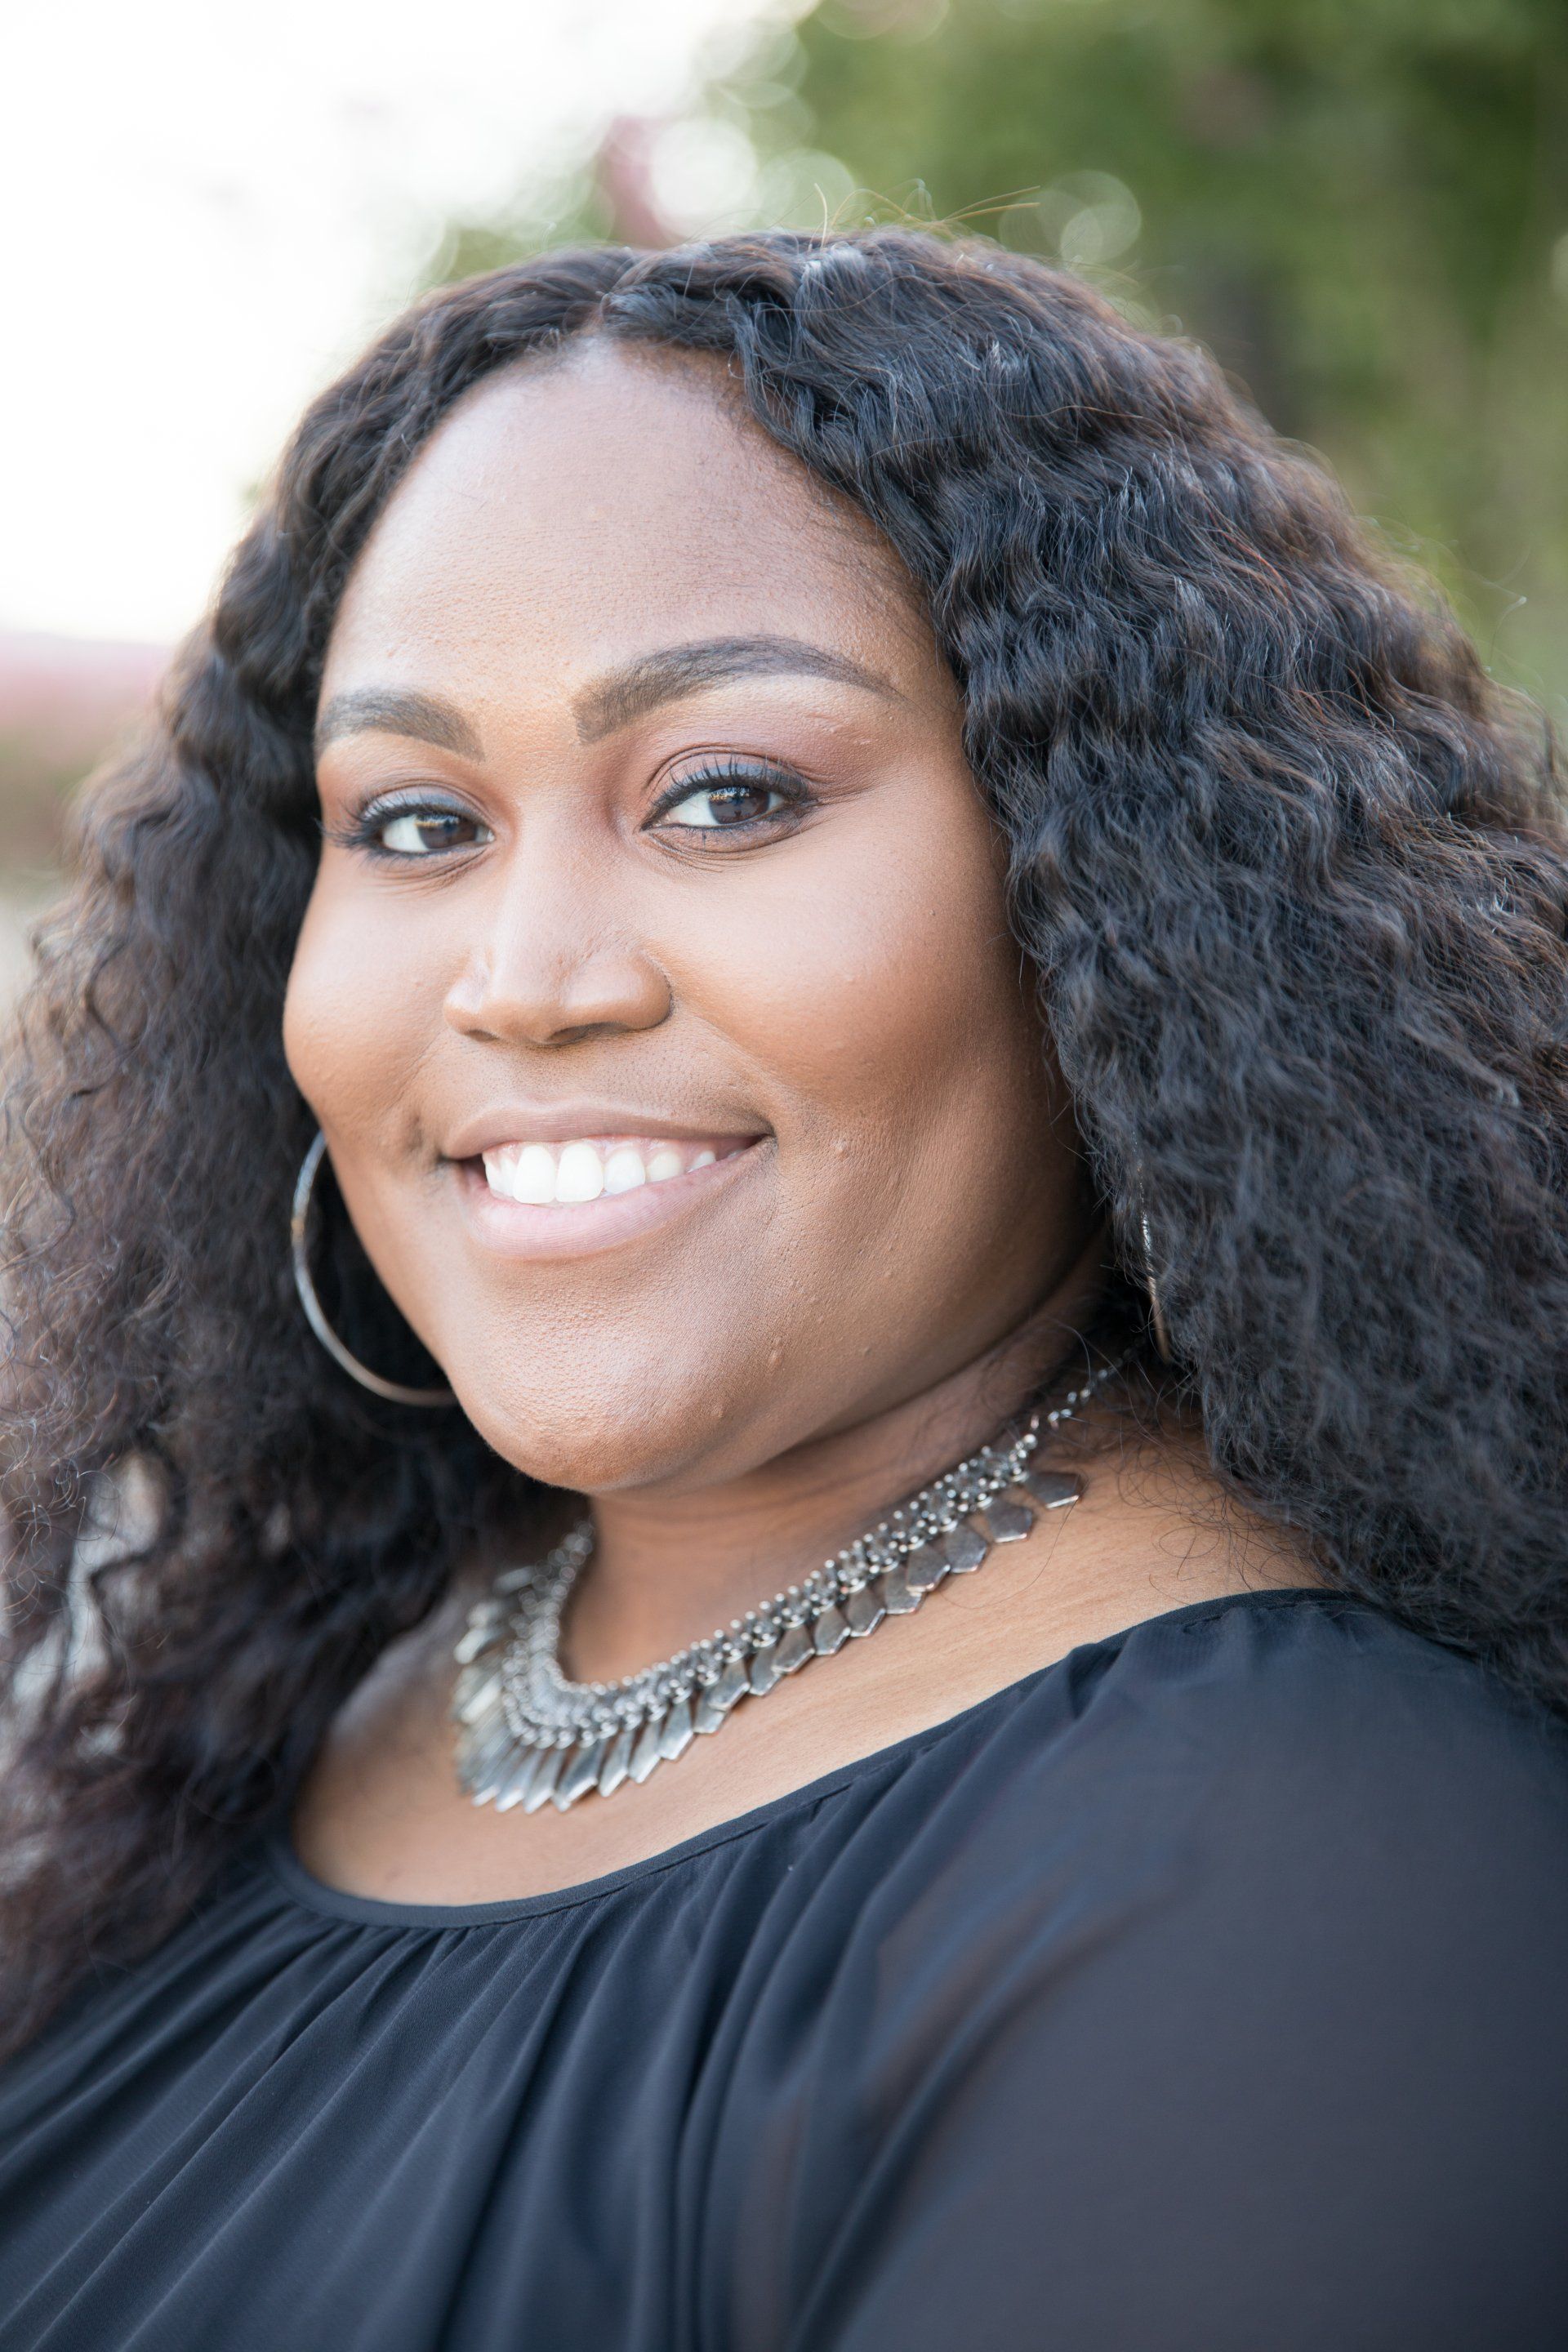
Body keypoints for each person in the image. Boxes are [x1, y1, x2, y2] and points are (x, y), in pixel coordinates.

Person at [1, 229, 1565, 2350]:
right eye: (419, 819)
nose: (527, 977)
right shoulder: (279, 1692)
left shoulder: (1307, 1874)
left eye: (728, 796)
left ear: (1107, 896)